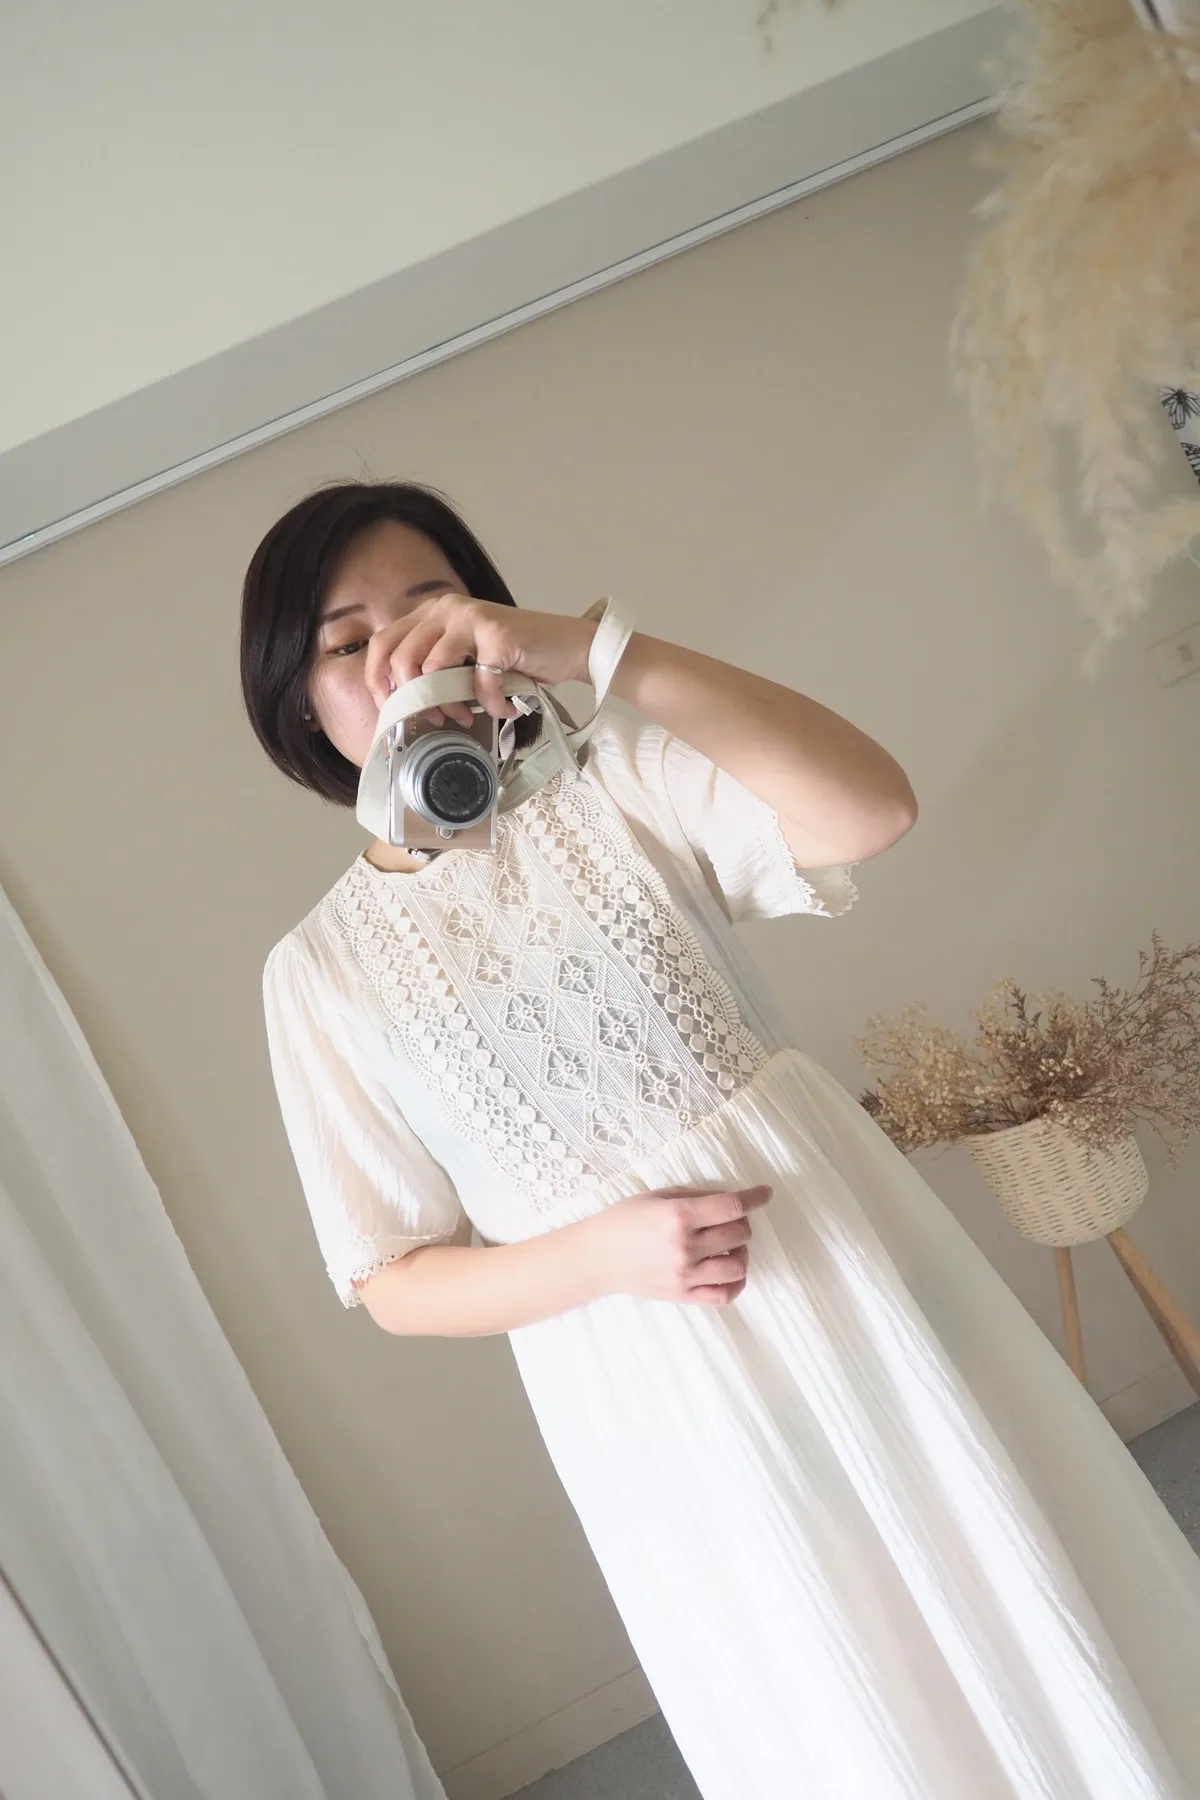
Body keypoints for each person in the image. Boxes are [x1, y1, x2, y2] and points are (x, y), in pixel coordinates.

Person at [241, 481, 1200, 1800]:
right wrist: (604, 1256)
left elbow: (870, 810)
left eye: (430, 612)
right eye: (347, 644)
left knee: (1023, 1594)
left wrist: (599, 652)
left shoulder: (619, 787)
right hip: (651, 1383)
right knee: (851, 1700)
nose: (398, 661)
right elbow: (389, 1277)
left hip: (854, 1283)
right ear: (302, 702)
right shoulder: (319, 974)